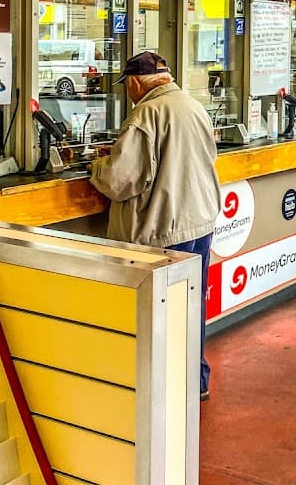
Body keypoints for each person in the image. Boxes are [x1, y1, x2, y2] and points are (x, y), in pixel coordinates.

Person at [90, 51, 222, 400]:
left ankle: (159, 392)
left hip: (162, 231)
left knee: (156, 317)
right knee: (191, 308)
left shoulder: (145, 114)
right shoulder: (193, 106)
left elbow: (120, 181)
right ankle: (196, 381)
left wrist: (97, 166)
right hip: (200, 222)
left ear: (134, 83)